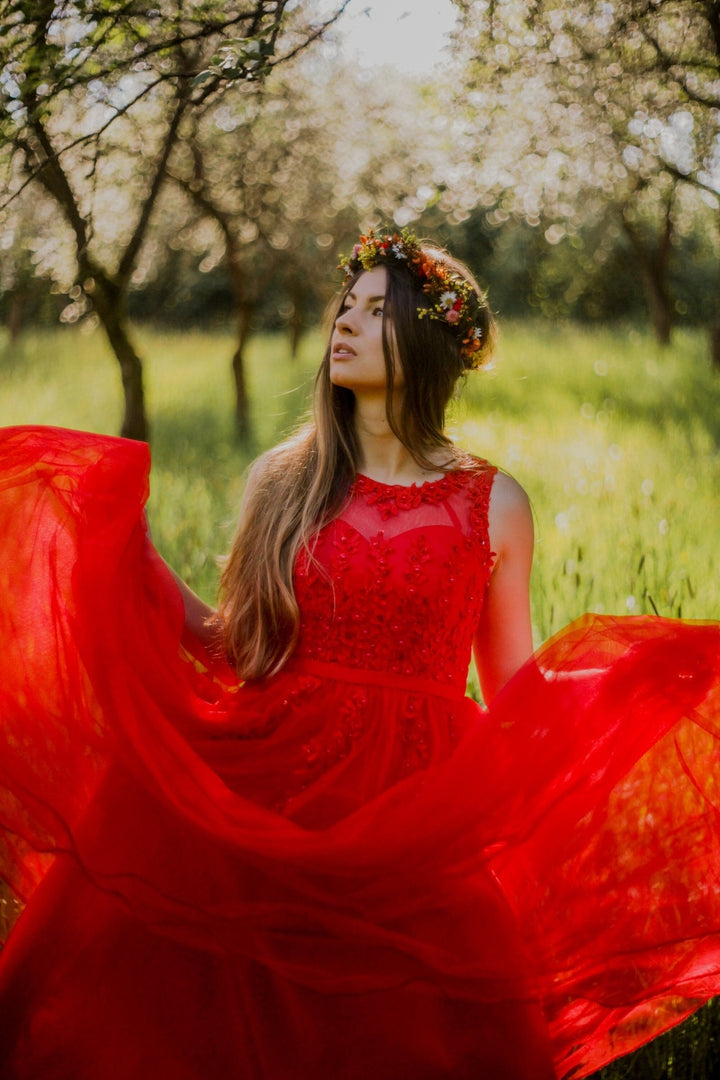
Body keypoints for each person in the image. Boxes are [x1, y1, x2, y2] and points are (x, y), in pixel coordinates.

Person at [0, 229, 719, 1080]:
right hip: (278, 767)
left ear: (424, 339)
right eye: (346, 306)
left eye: (376, 311)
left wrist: (627, 690)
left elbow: (515, 689)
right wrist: (131, 554)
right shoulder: (284, 480)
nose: (344, 322)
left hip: (417, 801)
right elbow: (234, 642)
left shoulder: (496, 503)